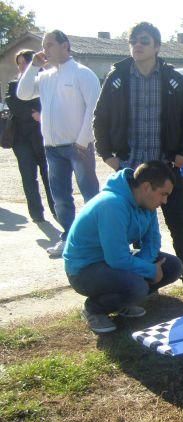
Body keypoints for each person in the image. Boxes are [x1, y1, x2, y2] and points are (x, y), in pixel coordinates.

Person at [93, 21, 183, 297]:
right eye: (133, 40)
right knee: (130, 230)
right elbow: (100, 119)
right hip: (129, 170)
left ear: (157, 47)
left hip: (166, 168)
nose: (137, 45)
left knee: (179, 225)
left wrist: (182, 154)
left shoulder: (172, 80)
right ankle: (142, 280)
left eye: (144, 41)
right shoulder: (118, 77)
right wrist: (108, 156)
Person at [64, 161, 183, 334]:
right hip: (84, 269)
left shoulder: (147, 204)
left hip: (111, 261)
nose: (164, 201)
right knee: (138, 286)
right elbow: (117, 258)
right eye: (163, 194)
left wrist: (144, 265)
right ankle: (94, 309)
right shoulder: (112, 205)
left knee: (173, 266)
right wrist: (149, 270)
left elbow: (153, 241)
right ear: (147, 187)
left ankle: (122, 302)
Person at [17, 30, 101, 257]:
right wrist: (33, 66)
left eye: (50, 44)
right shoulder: (44, 76)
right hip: (52, 148)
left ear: (66, 45)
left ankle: (96, 239)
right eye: (43, 45)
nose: (45, 50)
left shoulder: (82, 74)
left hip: (78, 147)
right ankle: (69, 237)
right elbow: (23, 94)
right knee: (61, 197)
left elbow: (94, 110)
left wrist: (83, 141)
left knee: (90, 193)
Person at [4, 49, 55, 223]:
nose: (21, 67)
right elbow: (13, 103)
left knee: (49, 176)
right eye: (19, 64)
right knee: (28, 176)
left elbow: (50, 103)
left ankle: (57, 211)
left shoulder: (46, 80)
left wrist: (40, 114)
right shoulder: (13, 84)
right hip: (21, 139)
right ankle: (36, 213)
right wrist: (32, 113)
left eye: (24, 62)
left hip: (43, 136)